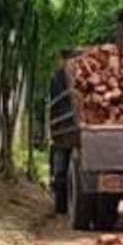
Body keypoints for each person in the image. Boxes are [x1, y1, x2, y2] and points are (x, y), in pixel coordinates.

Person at [46, 51, 77, 218]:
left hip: (64, 127)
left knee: (60, 165)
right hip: (65, 126)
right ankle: (60, 198)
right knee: (59, 169)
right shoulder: (59, 78)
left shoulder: (61, 76)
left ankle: (61, 200)